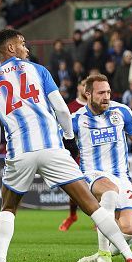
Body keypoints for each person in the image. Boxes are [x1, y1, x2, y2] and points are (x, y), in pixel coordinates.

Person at [0, 29, 132, 262]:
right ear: (10, 48)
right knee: (92, 206)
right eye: (22, 43)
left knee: (8, 208)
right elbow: (60, 108)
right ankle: (131, 258)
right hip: (52, 147)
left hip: (20, 151)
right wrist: (69, 140)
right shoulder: (38, 70)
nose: (26, 47)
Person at [72, 74, 132, 262]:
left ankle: (99, 252)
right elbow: (59, 145)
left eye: (108, 92)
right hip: (92, 175)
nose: (106, 96)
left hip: (121, 176)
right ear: (87, 94)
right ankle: (104, 255)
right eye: (101, 93)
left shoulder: (122, 111)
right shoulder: (76, 119)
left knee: (129, 232)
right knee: (110, 191)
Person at [59, 80, 87, 231]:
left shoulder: (95, 107)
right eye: (82, 84)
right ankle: (72, 215)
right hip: (75, 155)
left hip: (92, 155)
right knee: (74, 188)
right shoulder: (69, 108)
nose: (84, 87)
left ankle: (99, 219)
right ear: (78, 87)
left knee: (96, 186)